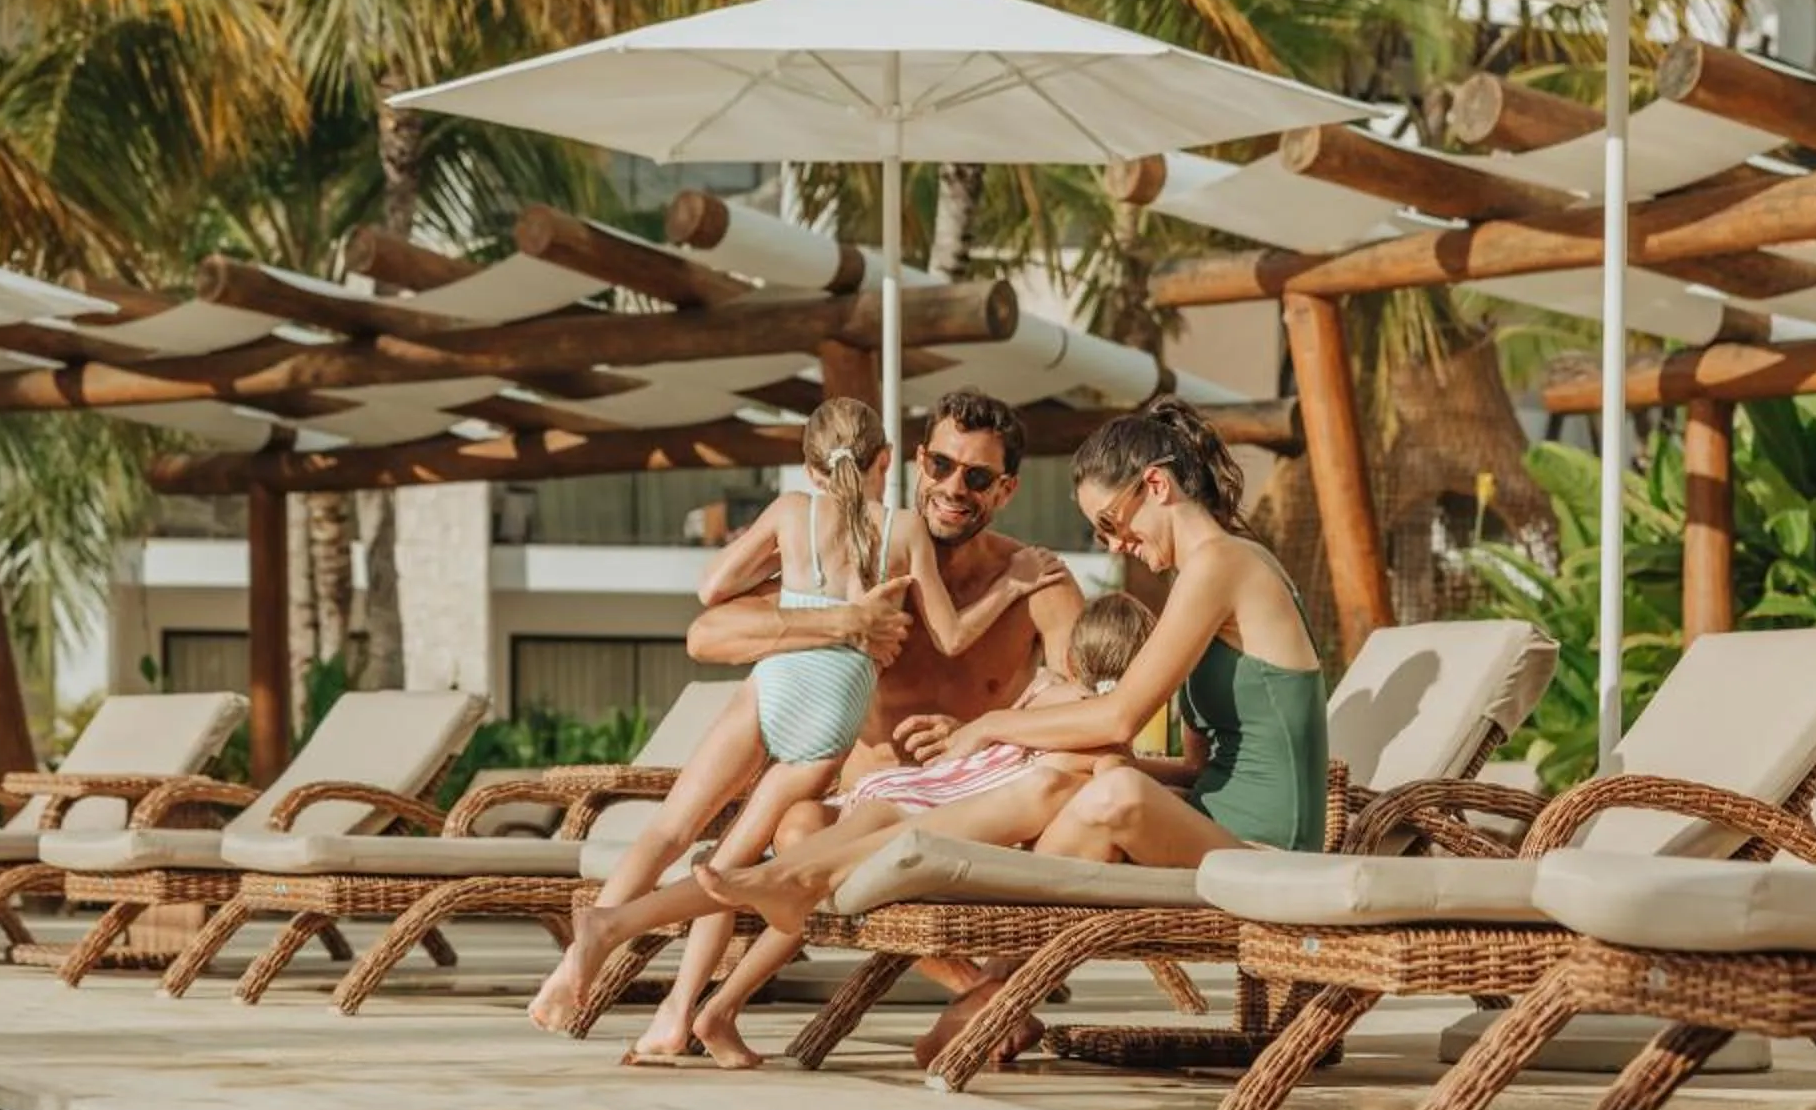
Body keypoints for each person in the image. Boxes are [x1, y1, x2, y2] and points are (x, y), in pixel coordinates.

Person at [541, 396, 1329, 1072]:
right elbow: (1195, 765)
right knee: (1071, 782)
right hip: (1207, 826)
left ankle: (946, 967)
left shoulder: (1221, 563)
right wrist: (1045, 755)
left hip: (1264, 850)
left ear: (1155, 486)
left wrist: (992, 728)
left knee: (1093, 783)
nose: (1118, 547)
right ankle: (961, 980)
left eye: (1113, 524)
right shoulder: (1205, 577)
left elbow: (1120, 717)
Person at [536, 389, 1081, 1048]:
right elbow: (707, 633)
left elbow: (1091, 713)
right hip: (858, 797)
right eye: (941, 465)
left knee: (725, 845)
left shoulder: (1036, 582)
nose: (953, 486)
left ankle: (686, 1004)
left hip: (969, 814)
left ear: (1007, 489)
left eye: (978, 476)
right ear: (910, 461)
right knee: (780, 835)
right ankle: (692, 1006)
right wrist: (841, 622)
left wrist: (991, 728)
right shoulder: (869, 544)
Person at [677, 592, 1159, 1069]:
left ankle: (696, 990)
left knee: (801, 873)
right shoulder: (1097, 732)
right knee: (805, 878)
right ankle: (711, 1001)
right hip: (933, 819)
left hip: (906, 793)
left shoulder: (1041, 695)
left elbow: (992, 754)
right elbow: (1112, 775)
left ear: (1072, 659)